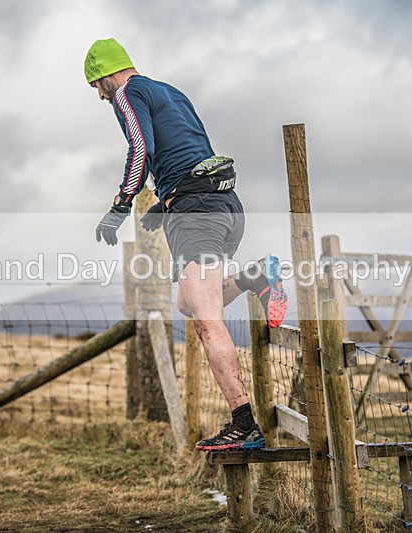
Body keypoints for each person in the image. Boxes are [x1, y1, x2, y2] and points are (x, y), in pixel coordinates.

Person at [85, 38, 288, 451]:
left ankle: (244, 425)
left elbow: (141, 148)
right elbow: (192, 153)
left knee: (206, 320)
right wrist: (163, 204)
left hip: (196, 213)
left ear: (104, 74)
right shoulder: (170, 91)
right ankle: (256, 276)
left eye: (95, 86)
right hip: (224, 205)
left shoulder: (127, 93)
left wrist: (121, 205)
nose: (100, 96)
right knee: (187, 303)